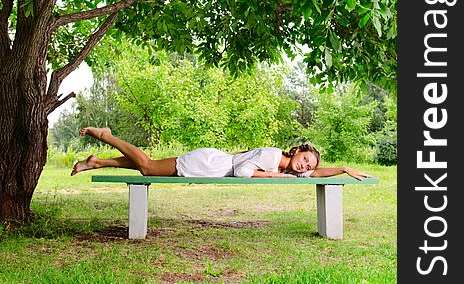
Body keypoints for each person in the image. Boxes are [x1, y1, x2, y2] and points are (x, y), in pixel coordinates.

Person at [70, 127, 371, 180]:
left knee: (149, 167)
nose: (306, 165)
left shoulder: (288, 165)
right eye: (305, 158)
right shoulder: (271, 157)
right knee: (147, 167)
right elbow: (242, 172)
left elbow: (316, 173)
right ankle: (107, 137)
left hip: (213, 163)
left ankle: (95, 162)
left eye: (308, 165)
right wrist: (269, 175)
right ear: (298, 151)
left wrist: (342, 169)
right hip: (208, 164)